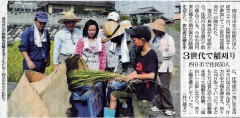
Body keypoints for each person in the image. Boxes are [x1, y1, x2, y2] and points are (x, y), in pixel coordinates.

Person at [104, 26, 158, 117]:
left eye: (134, 40)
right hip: (135, 89)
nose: (133, 41)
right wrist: (124, 77)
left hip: (144, 94)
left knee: (139, 114)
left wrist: (134, 77)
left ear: (143, 40)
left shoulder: (151, 54)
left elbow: (151, 75)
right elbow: (136, 71)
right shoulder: (139, 52)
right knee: (113, 95)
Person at [149, 19, 176, 116]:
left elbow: (172, 52)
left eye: (156, 29)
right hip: (155, 66)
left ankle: (169, 107)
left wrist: (160, 55)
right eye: (154, 29)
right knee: (156, 86)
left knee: (164, 87)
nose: (154, 30)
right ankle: (159, 105)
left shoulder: (169, 38)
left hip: (165, 66)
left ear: (161, 29)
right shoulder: (154, 38)